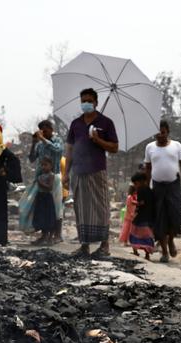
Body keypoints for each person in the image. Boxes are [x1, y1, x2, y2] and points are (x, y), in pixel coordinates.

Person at [65, 88, 118, 258]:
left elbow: (114, 147)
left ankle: (104, 246)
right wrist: (66, 173)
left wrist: (97, 140)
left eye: (89, 100)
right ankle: (84, 245)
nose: (86, 104)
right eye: (83, 101)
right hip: (78, 171)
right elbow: (70, 149)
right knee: (81, 208)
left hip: (97, 170)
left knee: (101, 208)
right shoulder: (76, 124)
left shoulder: (106, 122)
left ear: (96, 102)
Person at [144, 120, 181, 263]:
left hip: (173, 186)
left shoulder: (176, 146)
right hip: (157, 187)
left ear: (167, 132)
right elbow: (148, 169)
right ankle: (165, 251)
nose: (160, 135)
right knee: (159, 219)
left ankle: (171, 239)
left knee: (175, 217)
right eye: (157, 133)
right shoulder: (149, 147)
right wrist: (146, 189)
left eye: (163, 132)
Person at [23, 120, 65, 242]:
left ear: (51, 129)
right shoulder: (39, 144)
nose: (43, 133)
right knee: (43, 208)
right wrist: (34, 142)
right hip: (40, 178)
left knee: (56, 207)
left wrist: (43, 139)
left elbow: (58, 150)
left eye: (45, 131)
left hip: (54, 177)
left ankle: (57, 235)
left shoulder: (57, 140)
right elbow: (31, 159)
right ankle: (44, 234)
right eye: (41, 131)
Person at [31, 156, 58, 245]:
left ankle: (50, 238)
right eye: (42, 165)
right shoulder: (40, 175)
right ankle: (43, 237)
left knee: (49, 217)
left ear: (51, 165)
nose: (43, 167)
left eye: (45, 165)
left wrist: (40, 183)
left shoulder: (51, 175)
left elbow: (49, 187)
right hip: (40, 198)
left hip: (47, 198)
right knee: (42, 218)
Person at [128, 172, 155, 260]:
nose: (135, 186)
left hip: (141, 216)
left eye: (136, 183)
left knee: (133, 231)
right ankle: (147, 254)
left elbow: (142, 203)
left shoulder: (140, 190)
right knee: (147, 235)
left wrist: (136, 204)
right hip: (149, 216)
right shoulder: (150, 190)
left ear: (142, 181)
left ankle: (135, 251)